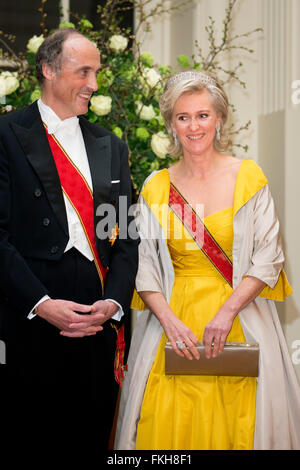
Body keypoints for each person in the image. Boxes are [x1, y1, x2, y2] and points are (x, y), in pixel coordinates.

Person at [115, 70, 300, 450]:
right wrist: (168, 322)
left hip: (240, 316)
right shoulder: (155, 187)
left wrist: (227, 312)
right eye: (183, 117)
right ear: (170, 124)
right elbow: (145, 265)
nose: (194, 126)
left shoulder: (248, 177)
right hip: (173, 321)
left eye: (203, 115)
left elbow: (269, 256)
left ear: (219, 119)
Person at [0, 28, 138, 448]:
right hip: (30, 317)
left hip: (98, 318)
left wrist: (113, 304)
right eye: (84, 72)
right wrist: (42, 305)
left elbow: (125, 237)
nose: (94, 85)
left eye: (96, 72)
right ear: (48, 70)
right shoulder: (6, 135)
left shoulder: (110, 146)